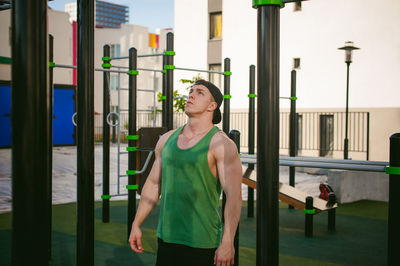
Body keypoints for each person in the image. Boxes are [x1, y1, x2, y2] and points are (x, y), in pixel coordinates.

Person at [129, 79, 242, 266]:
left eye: (200, 92)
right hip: (167, 238)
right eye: (191, 91)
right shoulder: (166, 140)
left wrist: (228, 241)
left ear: (212, 105)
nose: (191, 95)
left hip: (203, 242)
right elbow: (153, 184)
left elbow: (234, 196)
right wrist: (136, 223)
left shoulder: (221, 144)